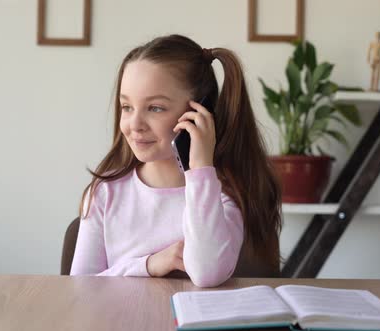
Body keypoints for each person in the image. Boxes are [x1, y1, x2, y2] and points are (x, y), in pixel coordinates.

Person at [70, 34, 281, 287]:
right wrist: (148, 264)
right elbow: (80, 287)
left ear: (199, 113)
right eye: (127, 107)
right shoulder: (104, 193)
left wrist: (201, 168)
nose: (135, 125)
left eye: (155, 108)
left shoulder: (224, 194)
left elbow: (207, 273)